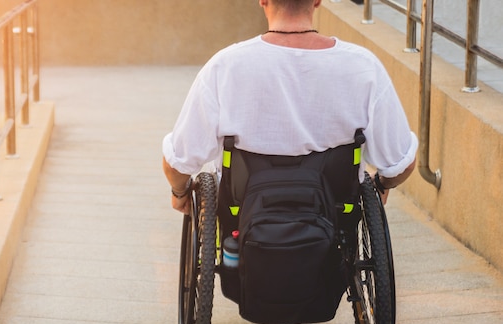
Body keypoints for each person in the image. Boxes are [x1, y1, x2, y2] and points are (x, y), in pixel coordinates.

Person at [162, 0, 417, 215]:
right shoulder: (363, 67)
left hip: (244, 214)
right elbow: (401, 164)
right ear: (317, 0)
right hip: (333, 215)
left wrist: (179, 192)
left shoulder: (225, 66)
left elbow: (178, 162)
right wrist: (381, 185)